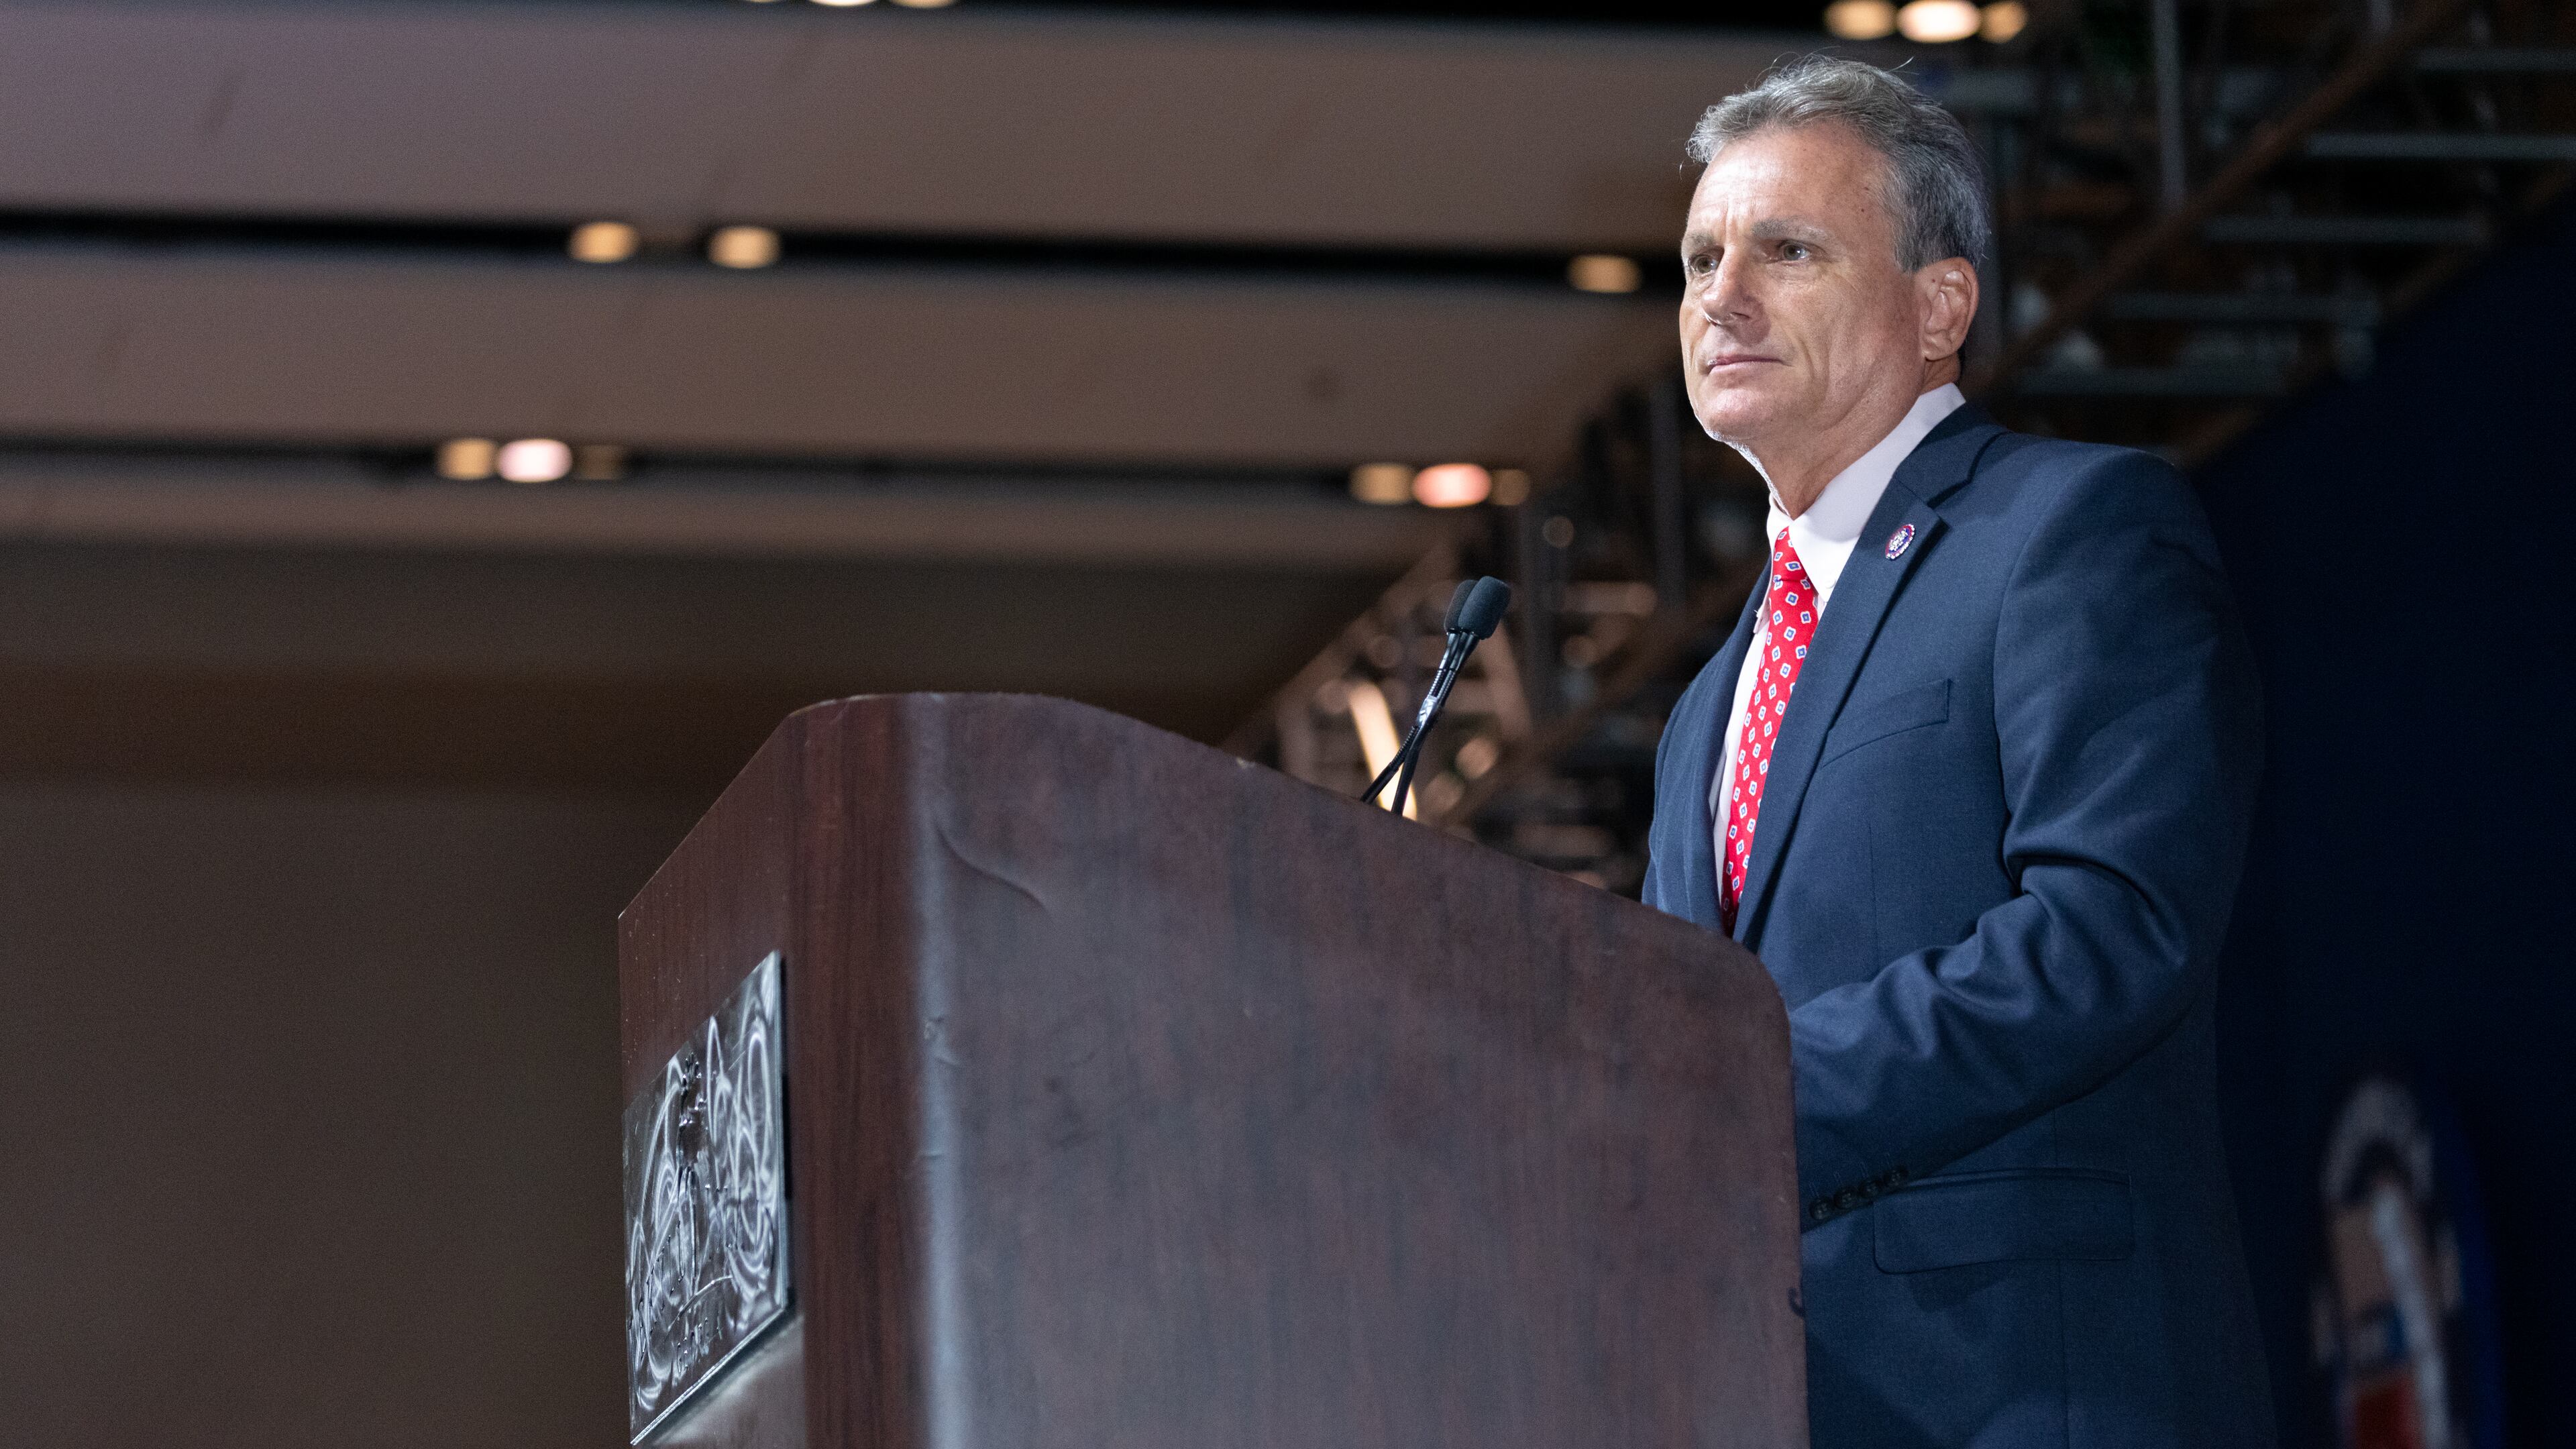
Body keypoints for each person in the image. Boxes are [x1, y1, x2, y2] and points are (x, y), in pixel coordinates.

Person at [1643, 57, 2273, 1446]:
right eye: (1697, 260)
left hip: (2037, 1393)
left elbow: (2114, 932)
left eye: (1785, 249)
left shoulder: (2073, 531)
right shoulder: (1707, 704)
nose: (1719, 299)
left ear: (1939, 308)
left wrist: (1731, 1093)